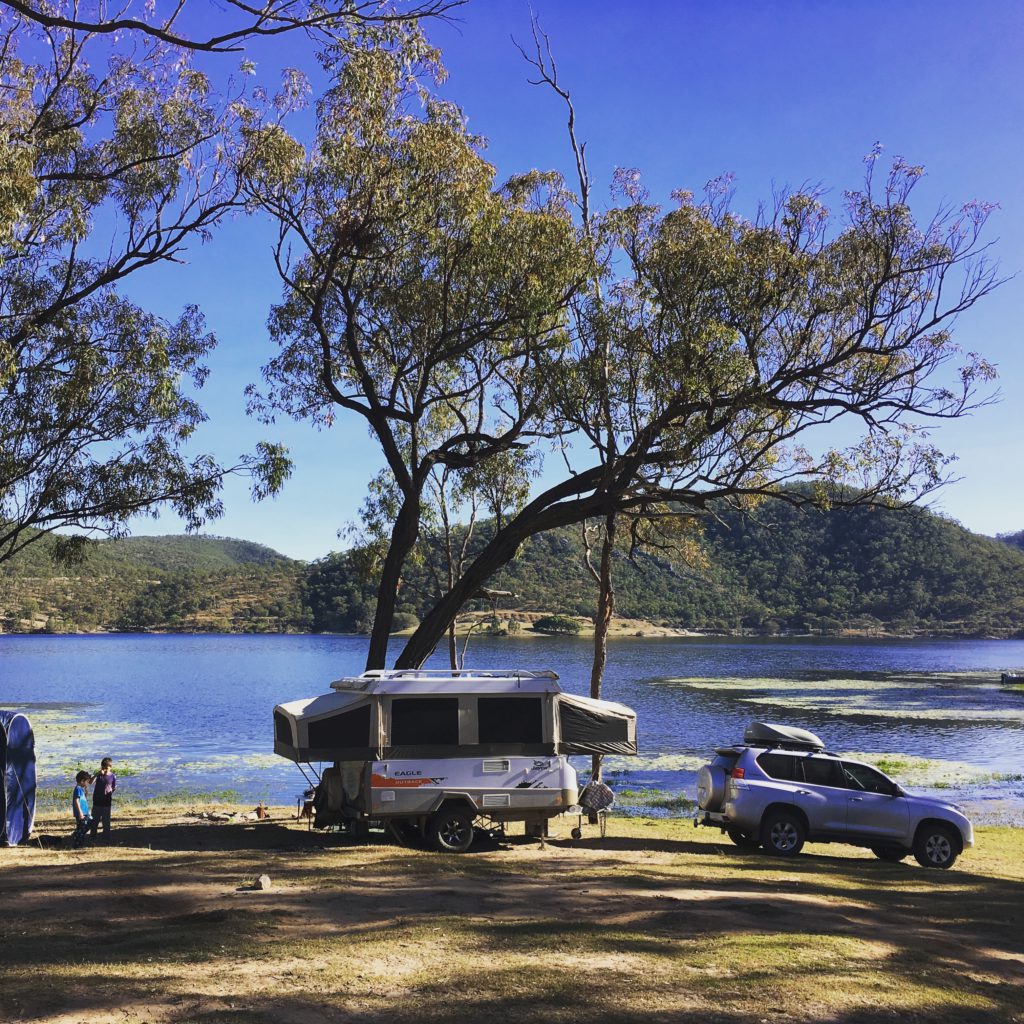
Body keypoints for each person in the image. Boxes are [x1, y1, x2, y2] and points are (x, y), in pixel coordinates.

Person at [89, 757, 117, 838]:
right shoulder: (99, 775)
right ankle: (92, 836)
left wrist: (109, 792)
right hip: (97, 802)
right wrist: (97, 774)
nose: (104, 769)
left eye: (106, 768)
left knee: (106, 821)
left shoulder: (113, 776)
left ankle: (106, 837)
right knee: (94, 821)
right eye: (103, 767)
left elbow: (113, 787)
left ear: (110, 767)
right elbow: (90, 782)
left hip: (106, 803)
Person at [72, 770, 92, 848]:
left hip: (85, 812)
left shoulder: (81, 789)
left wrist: (86, 792)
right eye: (87, 782)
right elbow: (76, 801)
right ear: (82, 781)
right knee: (82, 828)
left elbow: (84, 799)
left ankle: (77, 835)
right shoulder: (77, 789)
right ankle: (77, 844)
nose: (87, 783)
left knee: (88, 824)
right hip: (81, 813)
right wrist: (80, 812)